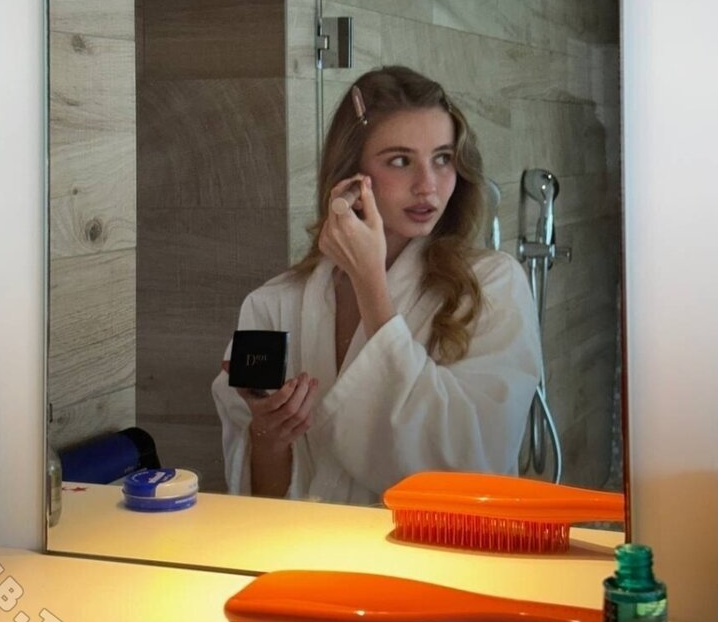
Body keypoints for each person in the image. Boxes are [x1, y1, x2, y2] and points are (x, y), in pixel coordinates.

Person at [211, 66, 541, 505]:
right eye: (400, 161)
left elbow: (473, 466)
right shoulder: (274, 304)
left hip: (430, 545)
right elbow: (256, 501)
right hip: (307, 545)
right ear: (350, 176)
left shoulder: (491, 287)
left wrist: (371, 286)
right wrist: (269, 437)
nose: (428, 185)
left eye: (443, 158)